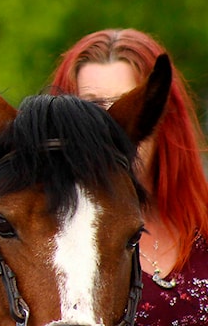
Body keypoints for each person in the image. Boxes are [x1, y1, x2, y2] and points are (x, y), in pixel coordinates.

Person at [49, 28, 208, 325]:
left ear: (162, 116)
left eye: (128, 103)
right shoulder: (50, 240)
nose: (112, 125)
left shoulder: (202, 221)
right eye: (94, 107)